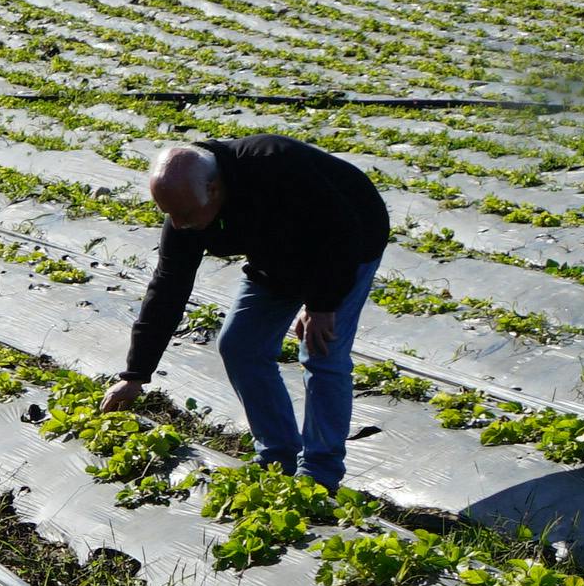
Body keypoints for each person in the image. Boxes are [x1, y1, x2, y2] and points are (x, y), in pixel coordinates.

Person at [104, 134, 391, 489]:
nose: (177, 225)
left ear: (213, 188)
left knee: (322, 351)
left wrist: (321, 304)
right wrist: (136, 374)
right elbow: (167, 288)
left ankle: (319, 475)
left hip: (350, 241)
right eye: (169, 215)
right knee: (240, 345)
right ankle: (278, 456)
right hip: (275, 258)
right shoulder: (185, 212)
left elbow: (340, 231)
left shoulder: (277, 166)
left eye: (185, 214)